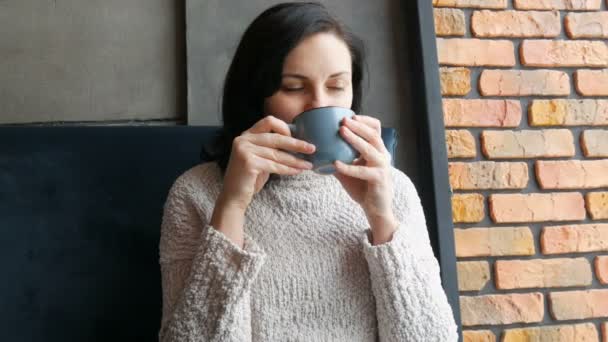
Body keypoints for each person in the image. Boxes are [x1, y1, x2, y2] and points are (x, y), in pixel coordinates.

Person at [158, 2, 458, 341]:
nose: (320, 104)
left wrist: (380, 217)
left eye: (336, 86)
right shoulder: (196, 192)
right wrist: (232, 206)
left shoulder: (393, 189)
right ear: (257, 95)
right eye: (294, 87)